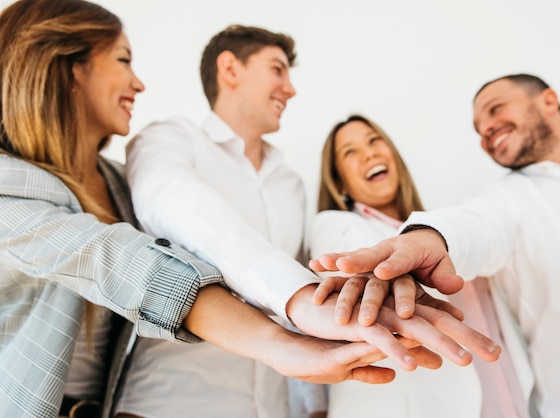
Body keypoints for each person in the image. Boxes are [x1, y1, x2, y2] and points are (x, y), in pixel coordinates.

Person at [0, 2, 445, 417]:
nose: (139, 82)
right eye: (123, 60)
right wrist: (294, 305)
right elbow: (123, 257)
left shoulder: (121, 183)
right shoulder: (167, 142)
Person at [118, 25, 501, 418]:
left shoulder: (291, 186)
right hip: (169, 403)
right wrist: (296, 295)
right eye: (277, 70)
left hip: (271, 407)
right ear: (231, 68)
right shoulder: (169, 140)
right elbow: (179, 207)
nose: (290, 89)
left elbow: (322, 289)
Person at [310, 74, 560, 418]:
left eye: (495, 109)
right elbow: (472, 226)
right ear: (339, 180)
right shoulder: (503, 201)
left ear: (549, 101)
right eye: (350, 152)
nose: (486, 130)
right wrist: (428, 238)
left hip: (507, 402)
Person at [308, 114, 532, 418]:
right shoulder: (335, 223)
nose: (369, 153)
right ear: (340, 183)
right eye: (350, 152)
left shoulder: (445, 228)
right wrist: (376, 270)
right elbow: (348, 254)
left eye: (375, 141)